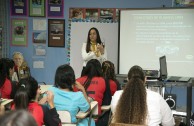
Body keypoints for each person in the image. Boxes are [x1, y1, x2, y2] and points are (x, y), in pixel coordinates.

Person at [110, 65, 175, 126]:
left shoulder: (117, 95)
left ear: (127, 79)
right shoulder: (157, 97)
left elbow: (115, 114)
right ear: (145, 79)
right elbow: (169, 123)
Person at [75, 59, 112, 126]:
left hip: (77, 118)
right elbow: (107, 102)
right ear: (100, 70)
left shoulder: (77, 81)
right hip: (96, 119)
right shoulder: (104, 81)